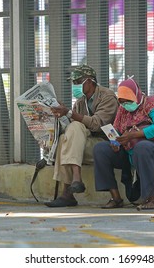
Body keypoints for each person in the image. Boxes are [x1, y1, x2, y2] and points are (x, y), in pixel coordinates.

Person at [93, 77, 154, 209]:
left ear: (137, 95)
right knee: (100, 149)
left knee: (142, 146)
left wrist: (134, 135)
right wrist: (115, 142)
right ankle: (115, 197)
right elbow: (116, 130)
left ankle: (151, 199)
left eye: (128, 101)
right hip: (131, 151)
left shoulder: (152, 104)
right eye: (122, 102)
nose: (126, 104)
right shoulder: (123, 109)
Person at [45, 65, 119, 207]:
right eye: (74, 83)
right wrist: (60, 116)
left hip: (105, 146)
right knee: (63, 138)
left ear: (90, 81)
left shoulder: (107, 97)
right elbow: (71, 129)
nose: (75, 86)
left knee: (75, 127)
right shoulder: (80, 102)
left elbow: (97, 124)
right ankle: (71, 187)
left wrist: (69, 113)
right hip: (83, 146)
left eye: (78, 82)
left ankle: (69, 189)